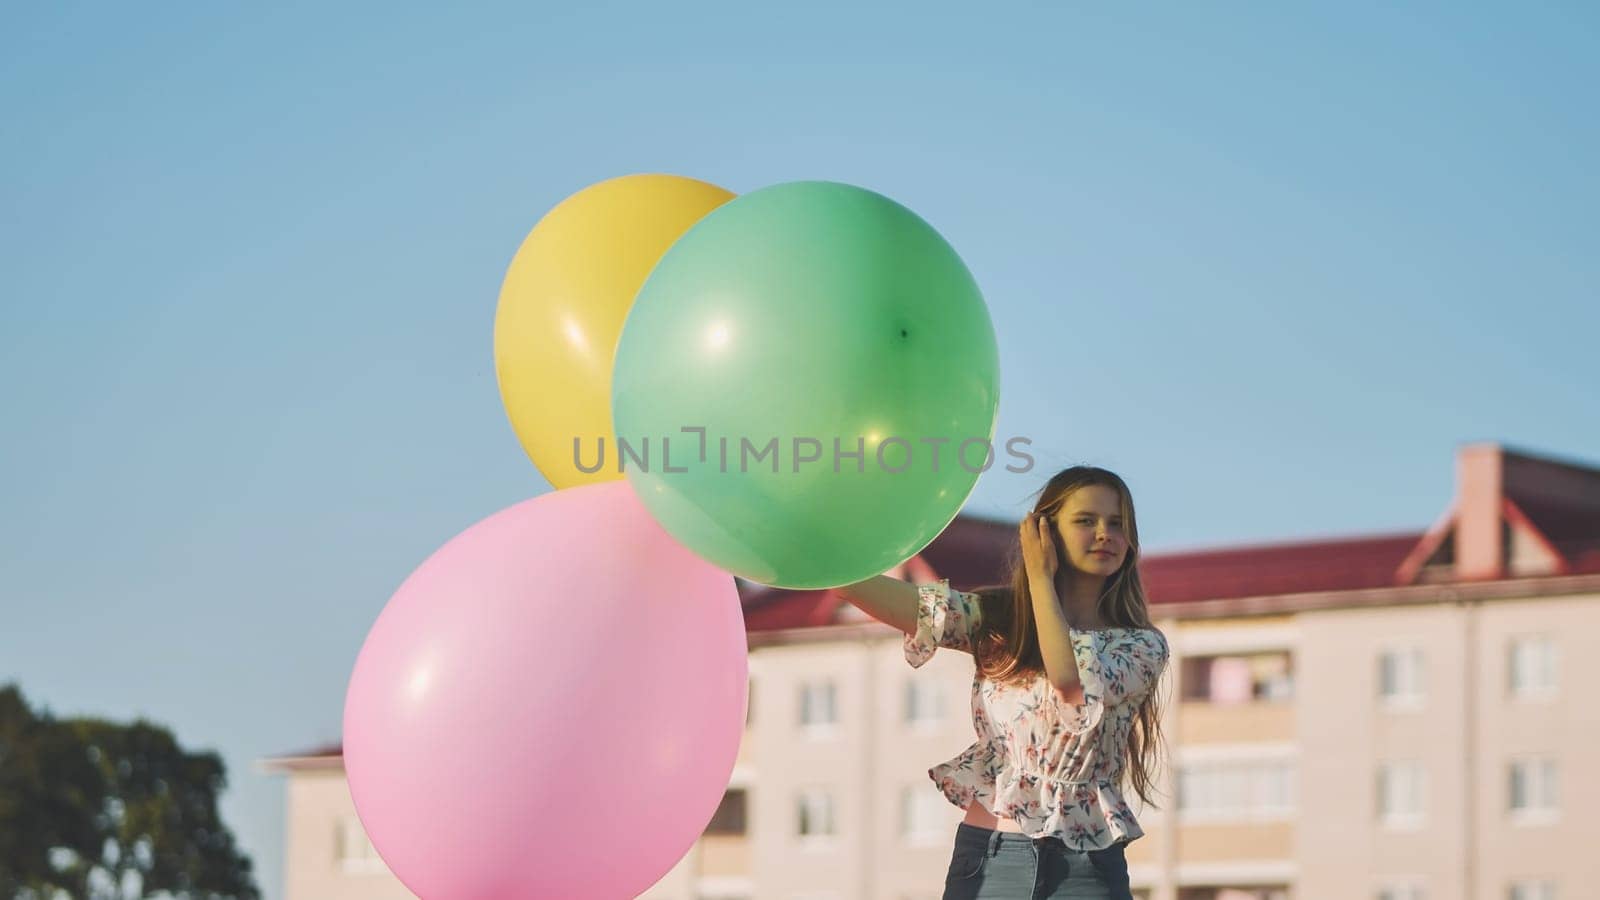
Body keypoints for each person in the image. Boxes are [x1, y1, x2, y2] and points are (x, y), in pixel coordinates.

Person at [838, 466, 1169, 900]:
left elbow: (1069, 680)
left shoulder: (1141, 645)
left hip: (1087, 867)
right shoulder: (997, 618)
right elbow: (908, 606)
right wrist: (812, 564)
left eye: (1118, 523)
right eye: (1086, 520)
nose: (1105, 533)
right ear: (1043, 533)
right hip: (991, 857)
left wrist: (1039, 578)